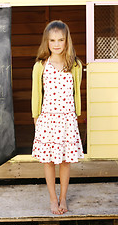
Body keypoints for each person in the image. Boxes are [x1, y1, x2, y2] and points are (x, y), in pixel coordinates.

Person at [31, 20, 84, 215]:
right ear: (47, 42)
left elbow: (76, 91)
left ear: (66, 40)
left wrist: (76, 114)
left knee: (65, 161)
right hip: (48, 119)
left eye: (60, 40)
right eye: (52, 40)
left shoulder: (75, 65)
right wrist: (36, 117)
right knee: (49, 161)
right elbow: (36, 93)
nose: (56, 44)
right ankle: (53, 199)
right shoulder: (41, 65)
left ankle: (63, 198)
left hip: (67, 119)